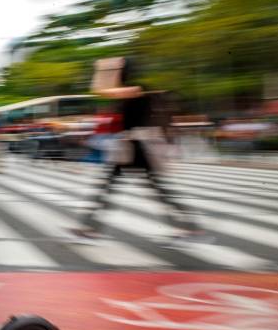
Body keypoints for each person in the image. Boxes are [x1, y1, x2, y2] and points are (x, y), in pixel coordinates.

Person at [72, 58, 208, 242]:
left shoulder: (136, 89)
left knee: (146, 190)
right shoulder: (133, 90)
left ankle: (191, 228)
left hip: (138, 148)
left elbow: (101, 90)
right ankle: (89, 227)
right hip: (129, 147)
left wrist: (103, 70)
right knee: (114, 188)